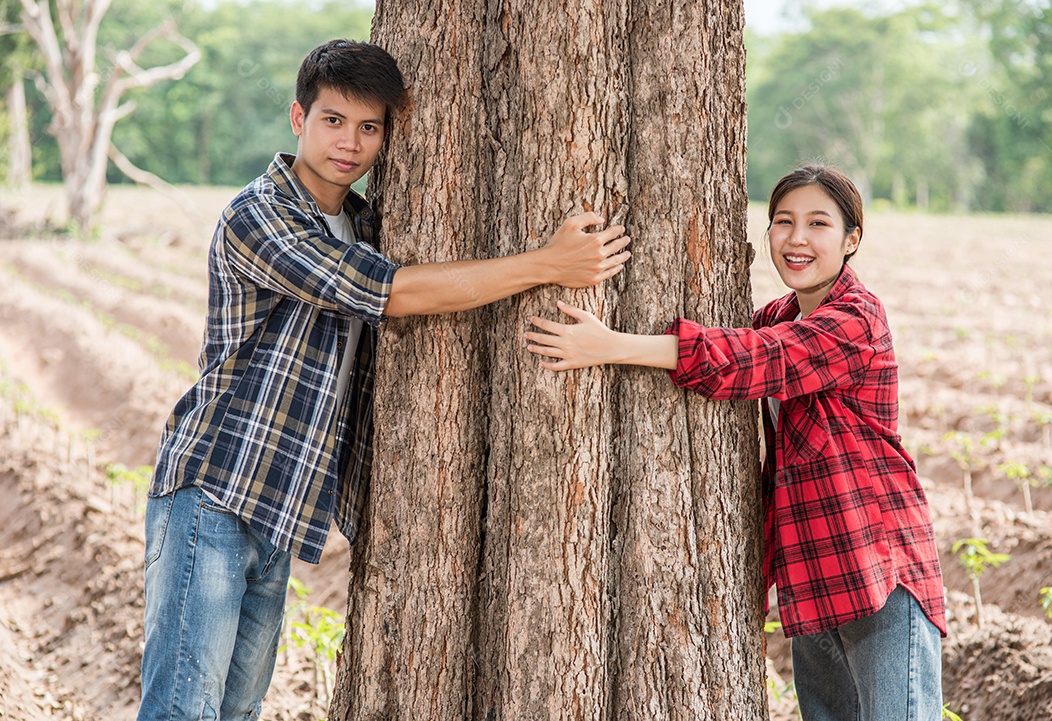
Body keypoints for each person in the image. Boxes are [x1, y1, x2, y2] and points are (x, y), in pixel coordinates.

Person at [138, 39, 630, 721]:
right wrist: (547, 263)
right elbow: (394, 292)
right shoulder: (260, 215)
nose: (351, 142)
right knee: (184, 712)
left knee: (238, 710)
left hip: (277, 507)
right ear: (298, 118)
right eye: (333, 120)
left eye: (370, 127)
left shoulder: (366, 221)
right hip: (214, 494)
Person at [524, 166, 946, 721]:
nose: (797, 239)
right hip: (812, 579)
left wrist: (612, 345)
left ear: (851, 240)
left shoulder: (855, 319)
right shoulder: (780, 316)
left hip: (877, 573)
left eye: (818, 224)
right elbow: (744, 343)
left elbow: (752, 361)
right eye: (783, 222)